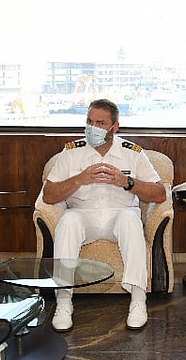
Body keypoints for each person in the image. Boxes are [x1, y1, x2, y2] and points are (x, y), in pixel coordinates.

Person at [41, 99, 166, 331]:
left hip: (119, 215)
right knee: (68, 220)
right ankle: (64, 302)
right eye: (89, 121)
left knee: (131, 219)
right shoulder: (71, 153)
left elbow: (159, 193)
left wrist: (127, 181)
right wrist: (79, 179)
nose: (93, 127)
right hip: (83, 216)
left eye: (100, 123)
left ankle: (138, 301)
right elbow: (48, 195)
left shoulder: (133, 154)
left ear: (114, 127)